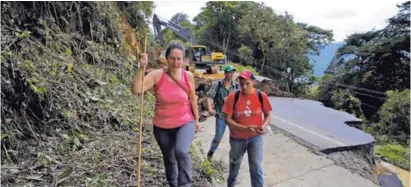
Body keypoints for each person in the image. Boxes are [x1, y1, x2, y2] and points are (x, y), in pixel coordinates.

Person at [131, 41, 200, 187]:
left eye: (178, 59)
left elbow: (192, 97)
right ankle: (173, 183)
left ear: (183, 60)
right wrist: (141, 68)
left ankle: (185, 184)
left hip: (185, 121)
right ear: (166, 59)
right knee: (169, 159)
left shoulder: (188, 76)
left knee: (181, 151)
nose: (175, 62)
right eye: (172, 58)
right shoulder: (157, 75)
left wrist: (197, 119)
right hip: (162, 126)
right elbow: (137, 89)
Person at [222, 70, 272, 187]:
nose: (244, 86)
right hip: (237, 139)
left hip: (255, 138)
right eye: (241, 84)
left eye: (247, 83)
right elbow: (227, 119)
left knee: (256, 167)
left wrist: (263, 126)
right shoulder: (233, 97)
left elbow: (268, 115)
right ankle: (231, 184)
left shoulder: (261, 96)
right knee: (235, 165)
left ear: (254, 82)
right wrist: (245, 128)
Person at [206, 65, 239, 160]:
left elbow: (239, 99)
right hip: (221, 115)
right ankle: (211, 152)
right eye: (229, 72)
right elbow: (209, 96)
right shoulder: (218, 84)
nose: (231, 74)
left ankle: (233, 157)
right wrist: (210, 108)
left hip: (232, 116)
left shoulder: (236, 86)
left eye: (232, 72)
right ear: (225, 73)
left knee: (235, 138)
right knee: (218, 137)